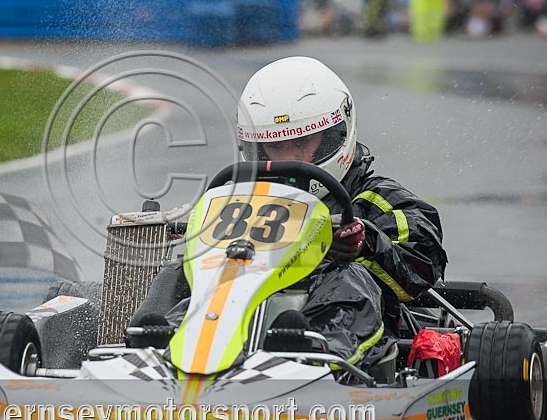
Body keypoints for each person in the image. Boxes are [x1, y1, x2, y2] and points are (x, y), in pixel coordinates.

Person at [130, 57, 448, 369]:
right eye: (275, 147)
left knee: (344, 276)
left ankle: (314, 351)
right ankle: (154, 349)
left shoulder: (376, 197)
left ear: (336, 133)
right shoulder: (242, 200)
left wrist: (367, 241)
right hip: (245, 308)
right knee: (179, 270)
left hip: (356, 339)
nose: (289, 158)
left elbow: (421, 264)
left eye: (302, 143)